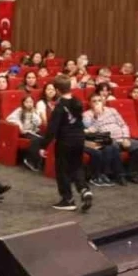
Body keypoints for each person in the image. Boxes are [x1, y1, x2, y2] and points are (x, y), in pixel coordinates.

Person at [40, 77, 93, 213]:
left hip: (65, 141)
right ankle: (84, 189)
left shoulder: (59, 106)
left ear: (57, 90)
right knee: (77, 166)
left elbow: (52, 128)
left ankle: (68, 199)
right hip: (79, 139)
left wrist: (43, 146)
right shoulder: (77, 102)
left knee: (62, 169)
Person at [82, 96, 138, 185]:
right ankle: (119, 175)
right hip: (106, 140)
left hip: (121, 138)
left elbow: (123, 125)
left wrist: (125, 138)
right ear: (90, 103)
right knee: (112, 145)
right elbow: (92, 131)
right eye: (94, 101)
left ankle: (132, 173)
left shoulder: (112, 110)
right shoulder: (87, 115)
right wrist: (96, 116)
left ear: (104, 102)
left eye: (99, 100)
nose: (97, 102)